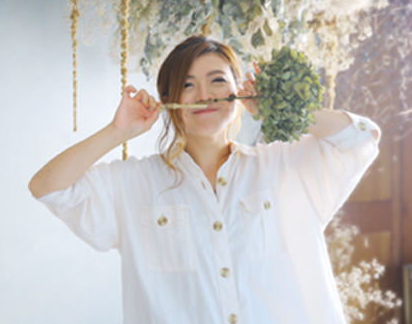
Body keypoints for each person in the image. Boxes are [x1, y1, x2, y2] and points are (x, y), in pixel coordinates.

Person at [29, 36, 381, 324]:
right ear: (167, 102)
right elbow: (48, 187)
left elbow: (362, 138)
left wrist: (279, 105)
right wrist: (116, 132)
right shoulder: (134, 183)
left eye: (218, 81)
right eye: (187, 85)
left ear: (239, 92)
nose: (204, 95)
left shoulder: (284, 166)